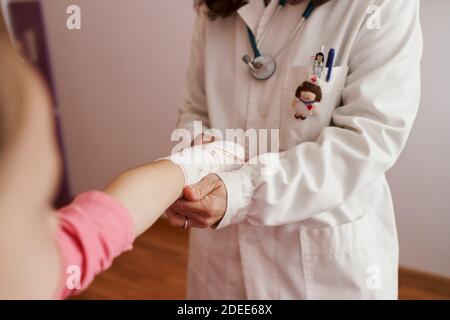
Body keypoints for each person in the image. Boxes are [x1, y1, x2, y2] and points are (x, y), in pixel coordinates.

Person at [168, 0, 423, 299]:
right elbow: (196, 110)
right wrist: (197, 164)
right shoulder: (216, 7)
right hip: (221, 258)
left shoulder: (381, 6)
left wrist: (241, 191)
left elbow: (366, 140)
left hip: (322, 264)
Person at [0, 16, 243, 299]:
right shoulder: (48, 261)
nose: (54, 224)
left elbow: (122, 207)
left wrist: (203, 159)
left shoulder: (56, 257)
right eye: (37, 207)